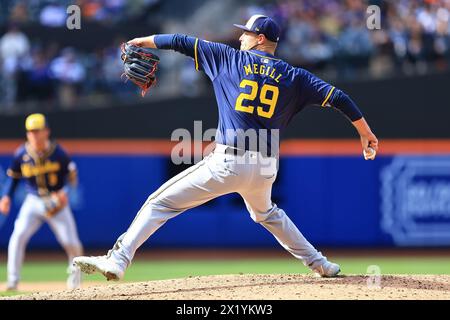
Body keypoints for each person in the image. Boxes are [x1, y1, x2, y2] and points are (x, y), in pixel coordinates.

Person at [74, 15, 379, 280]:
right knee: (267, 213)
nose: (240, 37)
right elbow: (338, 97)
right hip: (265, 167)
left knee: (159, 203)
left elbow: (180, 41)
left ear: (260, 39)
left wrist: (141, 40)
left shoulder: (229, 58)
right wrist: (365, 133)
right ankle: (321, 265)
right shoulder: (295, 76)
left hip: (229, 160)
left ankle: (118, 259)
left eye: (245, 33)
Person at [0, 113, 83, 291]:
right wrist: (6, 197)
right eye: (31, 131)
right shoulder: (21, 154)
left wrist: (64, 192)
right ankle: (13, 280)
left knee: (71, 243)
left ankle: (75, 281)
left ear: (46, 131)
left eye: (37, 131)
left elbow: (72, 178)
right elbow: (13, 179)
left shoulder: (58, 152)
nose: (34, 135)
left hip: (56, 200)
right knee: (18, 236)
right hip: (33, 201)